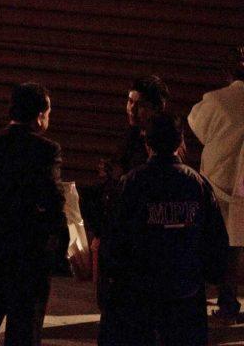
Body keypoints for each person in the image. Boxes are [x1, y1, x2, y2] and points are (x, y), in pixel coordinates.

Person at [99, 112, 230, 346]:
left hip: (140, 294)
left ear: (147, 143)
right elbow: (215, 240)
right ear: (180, 142)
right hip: (186, 293)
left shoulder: (132, 182)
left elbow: (115, 239)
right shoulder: (197, 184)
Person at [0, 82, 67, 346]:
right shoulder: (46, 150)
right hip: (27, 260)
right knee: (23, 334)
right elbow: (55, 203)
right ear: (40, 115)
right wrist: (56, 246)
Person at [186, 48, 244, 322]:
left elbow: (195, 124)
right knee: (236, 245)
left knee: (213, 241)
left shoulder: (216, 100)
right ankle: (229, 298)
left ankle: (219, 296)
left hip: (218, 180)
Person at [80, 75, 172, 240]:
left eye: (141, 105)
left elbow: (158, 190)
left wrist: (122, 176)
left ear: (158, 108)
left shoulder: (165, 142)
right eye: (130, 102)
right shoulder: (133, 133)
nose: (132, 109)